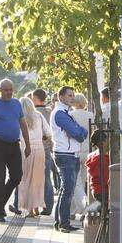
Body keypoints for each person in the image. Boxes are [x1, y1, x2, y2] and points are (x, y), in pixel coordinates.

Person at [0, 79, 31, 223]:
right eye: (6, 90)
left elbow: (23, 125)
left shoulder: (16, 104)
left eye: (11, 89)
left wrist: (27, 145)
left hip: (14, 144)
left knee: (17, 176)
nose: (9, 92)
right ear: (0, 90)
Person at [49, 86, 88, 232]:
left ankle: (60, 221)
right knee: (68, 189)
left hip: (71, 153)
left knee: (67, 189)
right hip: (65, 154)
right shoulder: (60, 114)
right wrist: (80, 133)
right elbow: (77, 133)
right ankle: (63, 222)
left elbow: (81, 131)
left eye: (73, 95)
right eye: (70, 95)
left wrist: (80, 132)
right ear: (61, 97)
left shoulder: (66, 113)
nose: (73, 98)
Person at [18, 97, 51, 217]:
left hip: (25, 150)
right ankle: (36, 206)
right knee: (37, 180)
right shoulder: (39, 116)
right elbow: (49, 133)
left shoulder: (18, 118)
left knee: (26, 179)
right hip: (39, 149)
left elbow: (16, 135)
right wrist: (41, 138)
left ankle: (30, 209)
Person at [70, 94, 95, 215]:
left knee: (76, 182)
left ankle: (84, 208)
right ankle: (74, 210)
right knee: (83, 180)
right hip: (88, 151)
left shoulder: (70, 115)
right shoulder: (90, 115)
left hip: (75, 151)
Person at [32, 89, 55, 216]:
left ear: (35, 98)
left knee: (31, 178)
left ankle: (32, 205)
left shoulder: (33, 113)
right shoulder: (50, 112)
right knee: (47, 178)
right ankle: (48, 206)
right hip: (46, 147)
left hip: (34, 148)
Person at [86, 130, 109, 203]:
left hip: (95, 190)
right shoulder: (104, 159)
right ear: (103, 142)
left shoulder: (91, 156)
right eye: (107, 139)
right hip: (104, 192)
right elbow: (106, 180)